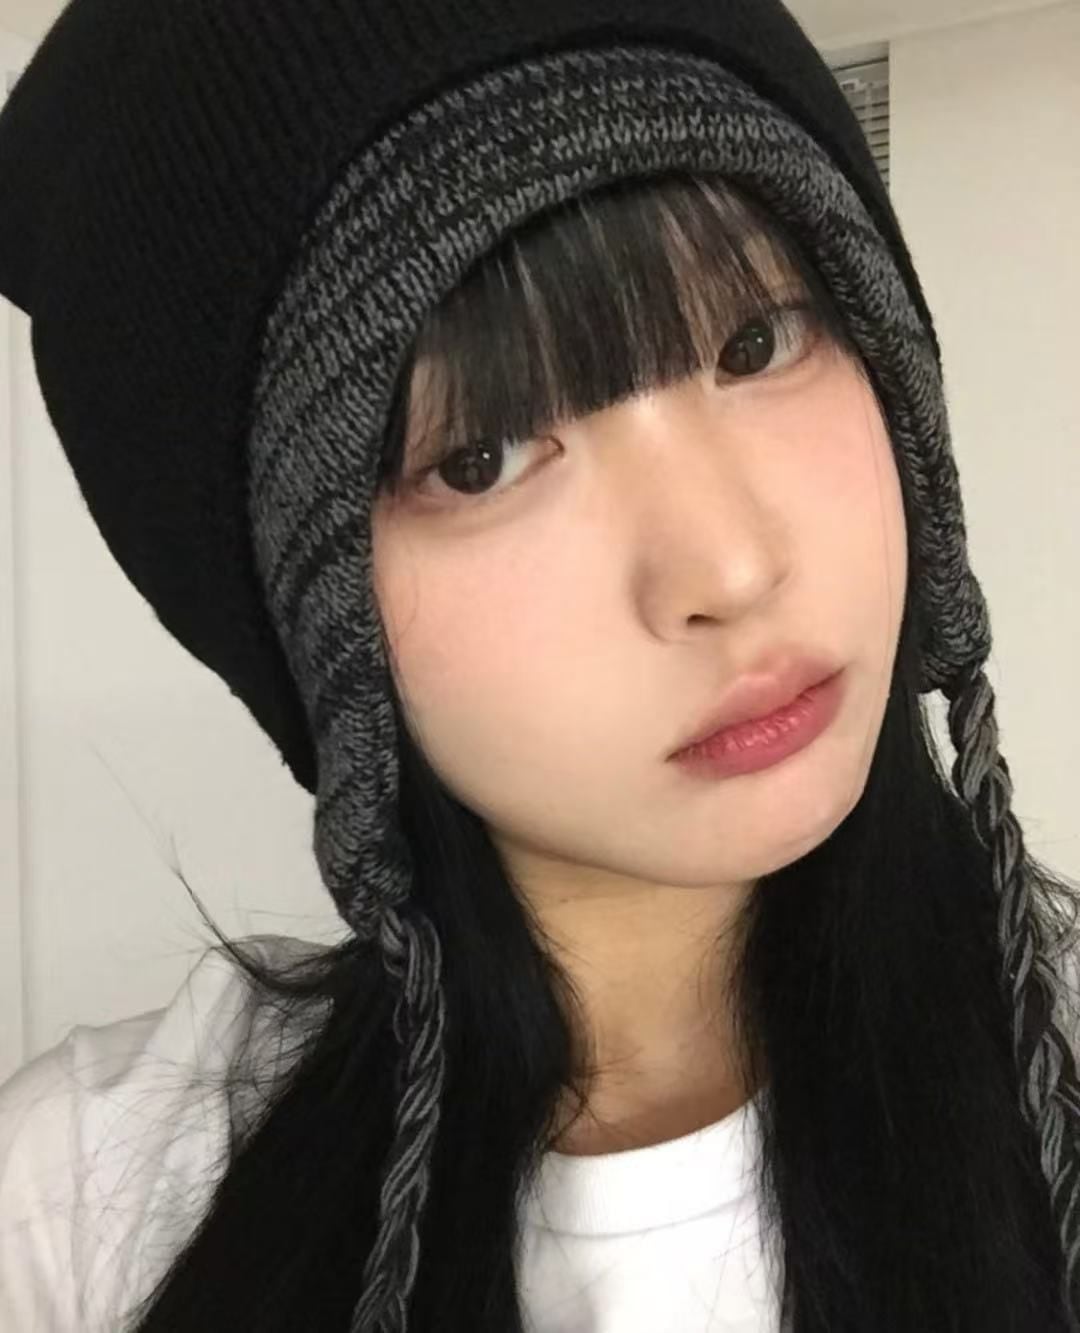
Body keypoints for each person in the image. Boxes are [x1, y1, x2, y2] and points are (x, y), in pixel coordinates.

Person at [0, 1, 1078, 1330]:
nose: (730, 568)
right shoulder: (85, 1208)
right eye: (481, 459)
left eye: (757, 342)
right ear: (305, 621)